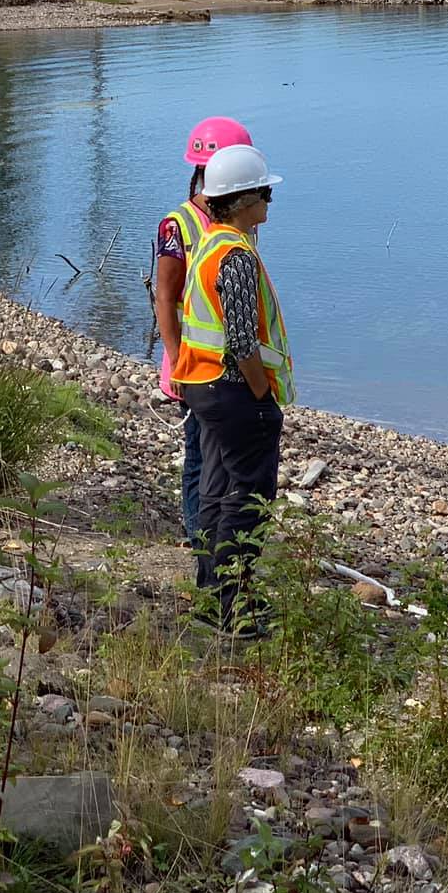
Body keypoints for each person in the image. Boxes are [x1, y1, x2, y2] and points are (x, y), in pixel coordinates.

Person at [171, 143, 292, 638]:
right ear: (242, 200)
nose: (270, 200)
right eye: (265, 192)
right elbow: (243, 340)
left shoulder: (209, 241)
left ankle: (212, 597)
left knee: (218, 493)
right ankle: (235, 610)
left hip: (201, 386)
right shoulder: (236, 256)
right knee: (247, 498)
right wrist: (263, 395)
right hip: (233, 391)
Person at [153, 116, 254, 544]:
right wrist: (178, 362)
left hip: (234, 367)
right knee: (199, 456)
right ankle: (200, 540)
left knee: (231, 459)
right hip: (195, 367)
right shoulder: (179, 225)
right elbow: (165, 297)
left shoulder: (239, 221)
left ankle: (223, 535)